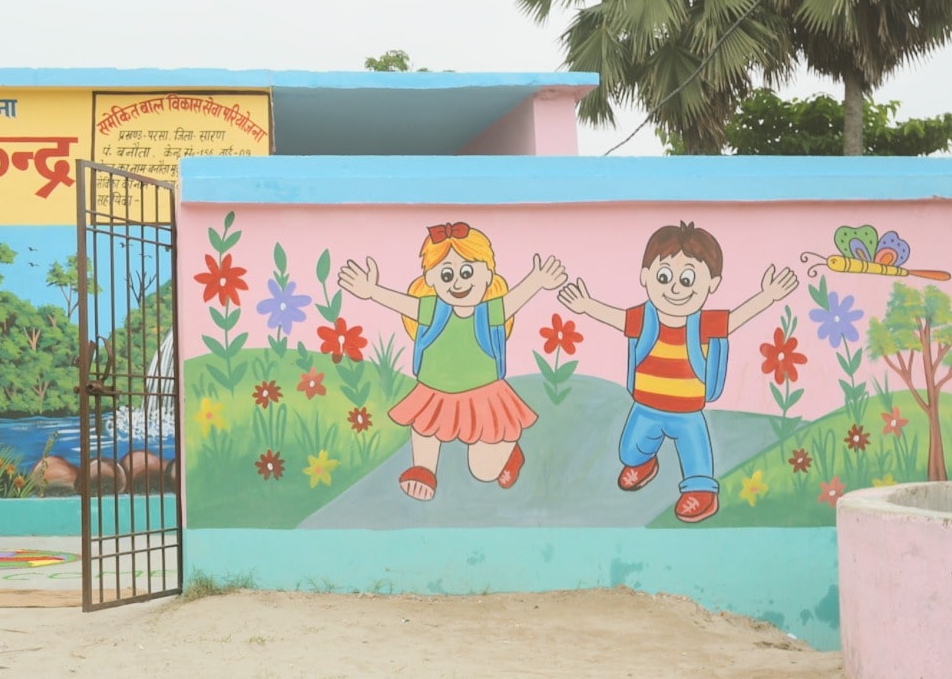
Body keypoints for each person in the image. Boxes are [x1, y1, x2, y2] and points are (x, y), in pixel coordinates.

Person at [558, 221, 797, 523]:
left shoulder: (704, 324)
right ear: (645, 276)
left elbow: (735, 319)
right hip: (645, 407)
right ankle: (643, 463)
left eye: (687, 280)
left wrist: (768, 296)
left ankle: (701, 492)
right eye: (664, 277)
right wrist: (586, 305)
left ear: (712, 284)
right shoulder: (644, 319)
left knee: (697, 457)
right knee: (630, 451)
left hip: (688, 413)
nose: (674, 288)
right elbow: (616, 318)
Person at [339, 222, 566, 501]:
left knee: (483, 471)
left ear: (488, 275)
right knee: (424, 427)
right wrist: (371, 291)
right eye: (446, 275)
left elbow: (513, 301)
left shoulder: (488, 312)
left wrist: (537, 280)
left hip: (483, 395)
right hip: (434, 392)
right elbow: (402, 303)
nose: (457, 282)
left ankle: (508, 450)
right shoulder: (433, 309)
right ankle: (423, 470)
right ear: (431, 280)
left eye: (467, 272)